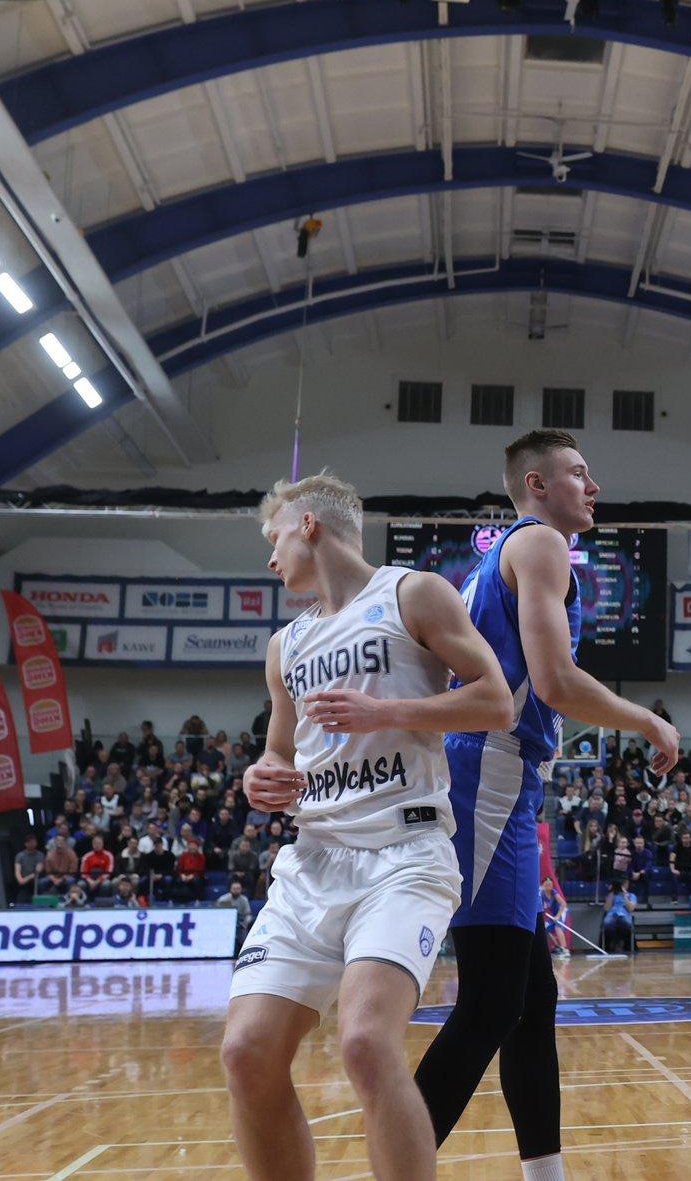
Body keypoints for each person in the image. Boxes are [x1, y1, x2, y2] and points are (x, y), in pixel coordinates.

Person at [225, 472, 514, 1181]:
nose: (271, 558)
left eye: (274, 537)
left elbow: (497, 701)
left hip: (404, 853)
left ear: (309, 524)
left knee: (365, 1042)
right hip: (314, 856)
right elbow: (279, 747)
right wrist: (260, 774)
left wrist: (386, 712)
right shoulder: (285, 644)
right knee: (247, 1052)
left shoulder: (412, 592)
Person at [412, 430, 682, 1181]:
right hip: (486, 775)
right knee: (492, 1003)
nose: (594, 486)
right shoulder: (540, 546)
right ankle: (394, 1163)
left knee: (530, 1005)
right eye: (578, 473)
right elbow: (556, 681)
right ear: (535, 484)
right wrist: (647, 718)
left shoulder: (496, 558)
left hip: (497, 776)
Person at [600, 884, 637, 953]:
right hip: (611, 914)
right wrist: (611, 892)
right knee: (607, 923)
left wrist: (624, 895)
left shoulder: (631, 895)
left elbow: (631, 909)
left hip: (624, 914)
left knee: (627, 923)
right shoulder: (610, 895)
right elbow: (606, 908)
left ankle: (619, 941)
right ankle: (616, 940)